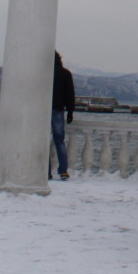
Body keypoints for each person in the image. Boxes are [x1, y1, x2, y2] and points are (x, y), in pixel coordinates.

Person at [51, 52, 75, 180]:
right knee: (59, 141)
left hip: (44, 110)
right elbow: (70, 94)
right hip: (59, 110)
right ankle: (63, 170)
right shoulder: (66, 74)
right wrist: (70, 111)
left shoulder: (45, 73)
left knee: (42, 141)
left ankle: (45, 170)